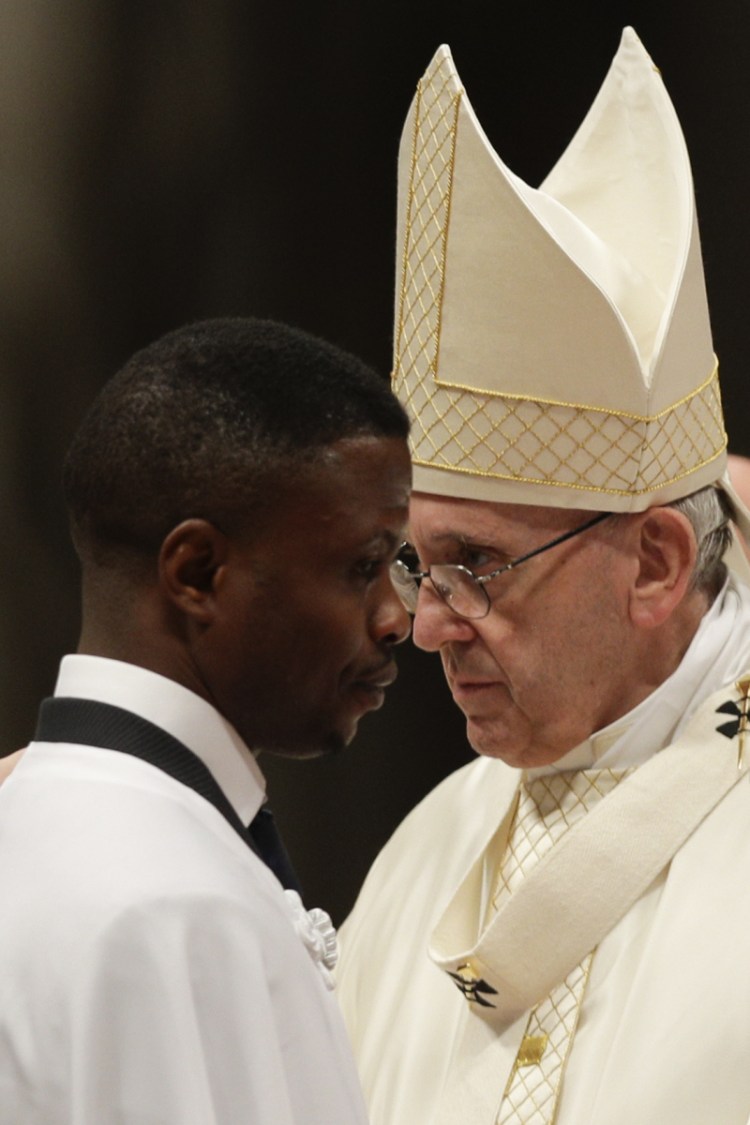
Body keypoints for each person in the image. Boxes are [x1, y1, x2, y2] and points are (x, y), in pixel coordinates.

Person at [337, 29, 750, 1125]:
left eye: (477, 567)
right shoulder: (422, 860)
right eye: (418, 561)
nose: (426, 627)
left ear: (657, 562)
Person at [0, 317, 412, 1123]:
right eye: (364, 566)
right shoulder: (171, 905)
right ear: (197, 572)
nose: (396, 616)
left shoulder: (35, 818)